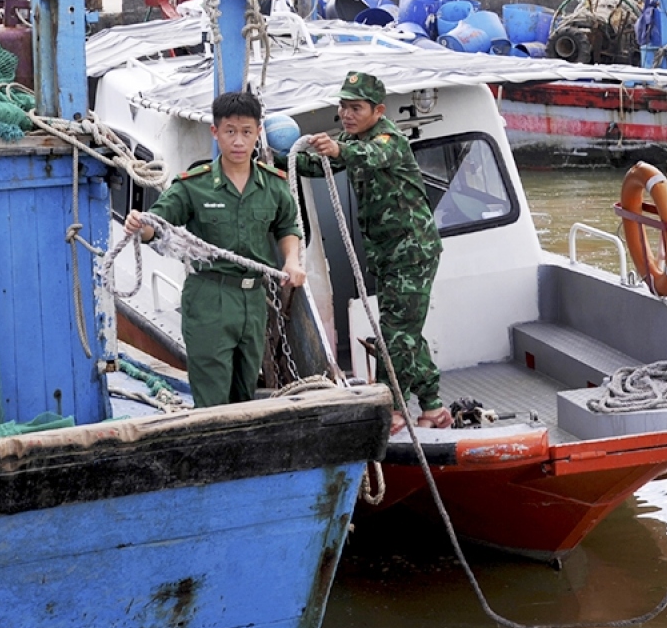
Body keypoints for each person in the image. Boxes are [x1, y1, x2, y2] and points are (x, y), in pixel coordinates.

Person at [124, 91, 305, 408]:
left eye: (246, 132)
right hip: (209, 297)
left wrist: (291, 260)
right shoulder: (194, 185)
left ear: (258, 133)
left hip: (253, 300)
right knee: (212, 400)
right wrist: (141, 226)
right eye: (230, 131)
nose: (238, 141)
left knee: (245, 394)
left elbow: (288, 226)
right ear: (215, 132)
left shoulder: (274, 185)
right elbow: (158, 225)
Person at [294, 72, 450, 433]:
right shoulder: (354, 138)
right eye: (343, 106)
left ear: (378, 110)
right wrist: (277, 161)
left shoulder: (387, 141)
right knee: (403, 329)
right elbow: (325, 165)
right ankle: (433, 406)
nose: (346, 114)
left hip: (412, 253)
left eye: (355, 107)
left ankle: (393, 410)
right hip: (388, 255)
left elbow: (365, 155)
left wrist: (338, 149)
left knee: (397, 332)